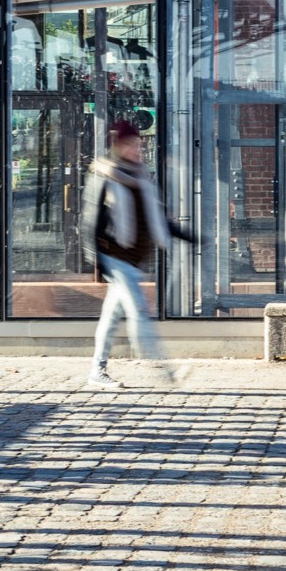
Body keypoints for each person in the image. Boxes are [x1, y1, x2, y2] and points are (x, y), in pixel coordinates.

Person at [82, 121, 187, 389]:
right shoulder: (104, 174)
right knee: (139, 311)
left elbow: (157, 219)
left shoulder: (140, 175)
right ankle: (165, 370)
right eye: (131, 144)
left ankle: (97, 371)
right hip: (115, 258)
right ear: (118, 145)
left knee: (111, 316)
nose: (136, 149)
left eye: (138, 144)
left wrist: (191, 237)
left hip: (132, 259)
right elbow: (91, 219)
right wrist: (94, 257)